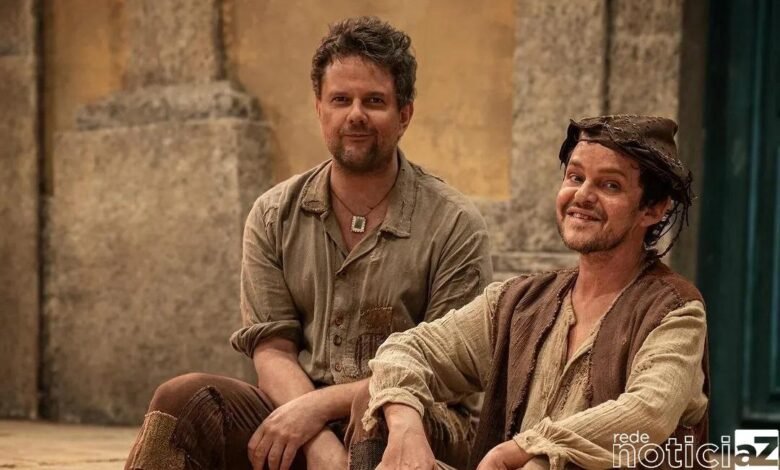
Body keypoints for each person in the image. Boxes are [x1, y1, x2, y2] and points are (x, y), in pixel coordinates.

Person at [124, 16, 492, 470]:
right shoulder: (273, 214)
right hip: (300, 409)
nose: (355, 114)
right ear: (319, 108)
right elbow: (273, 348)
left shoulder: (454, 224)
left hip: (418, 418)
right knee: (182, 399)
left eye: (374, 101)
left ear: (404, 115)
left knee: (377, 412)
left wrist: (319, 408)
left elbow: (445, 366)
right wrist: (316, 439)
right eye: (340, 99)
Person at [352, 115, 708, 470]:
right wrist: (405, 427)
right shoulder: (521, 302)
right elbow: (406, 351)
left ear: (652, 209)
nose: (582, 196)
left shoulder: (676, 311)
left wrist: (529, 450)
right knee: (382, 408)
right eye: (575, 177)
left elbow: (648, 413)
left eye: (610, 185)